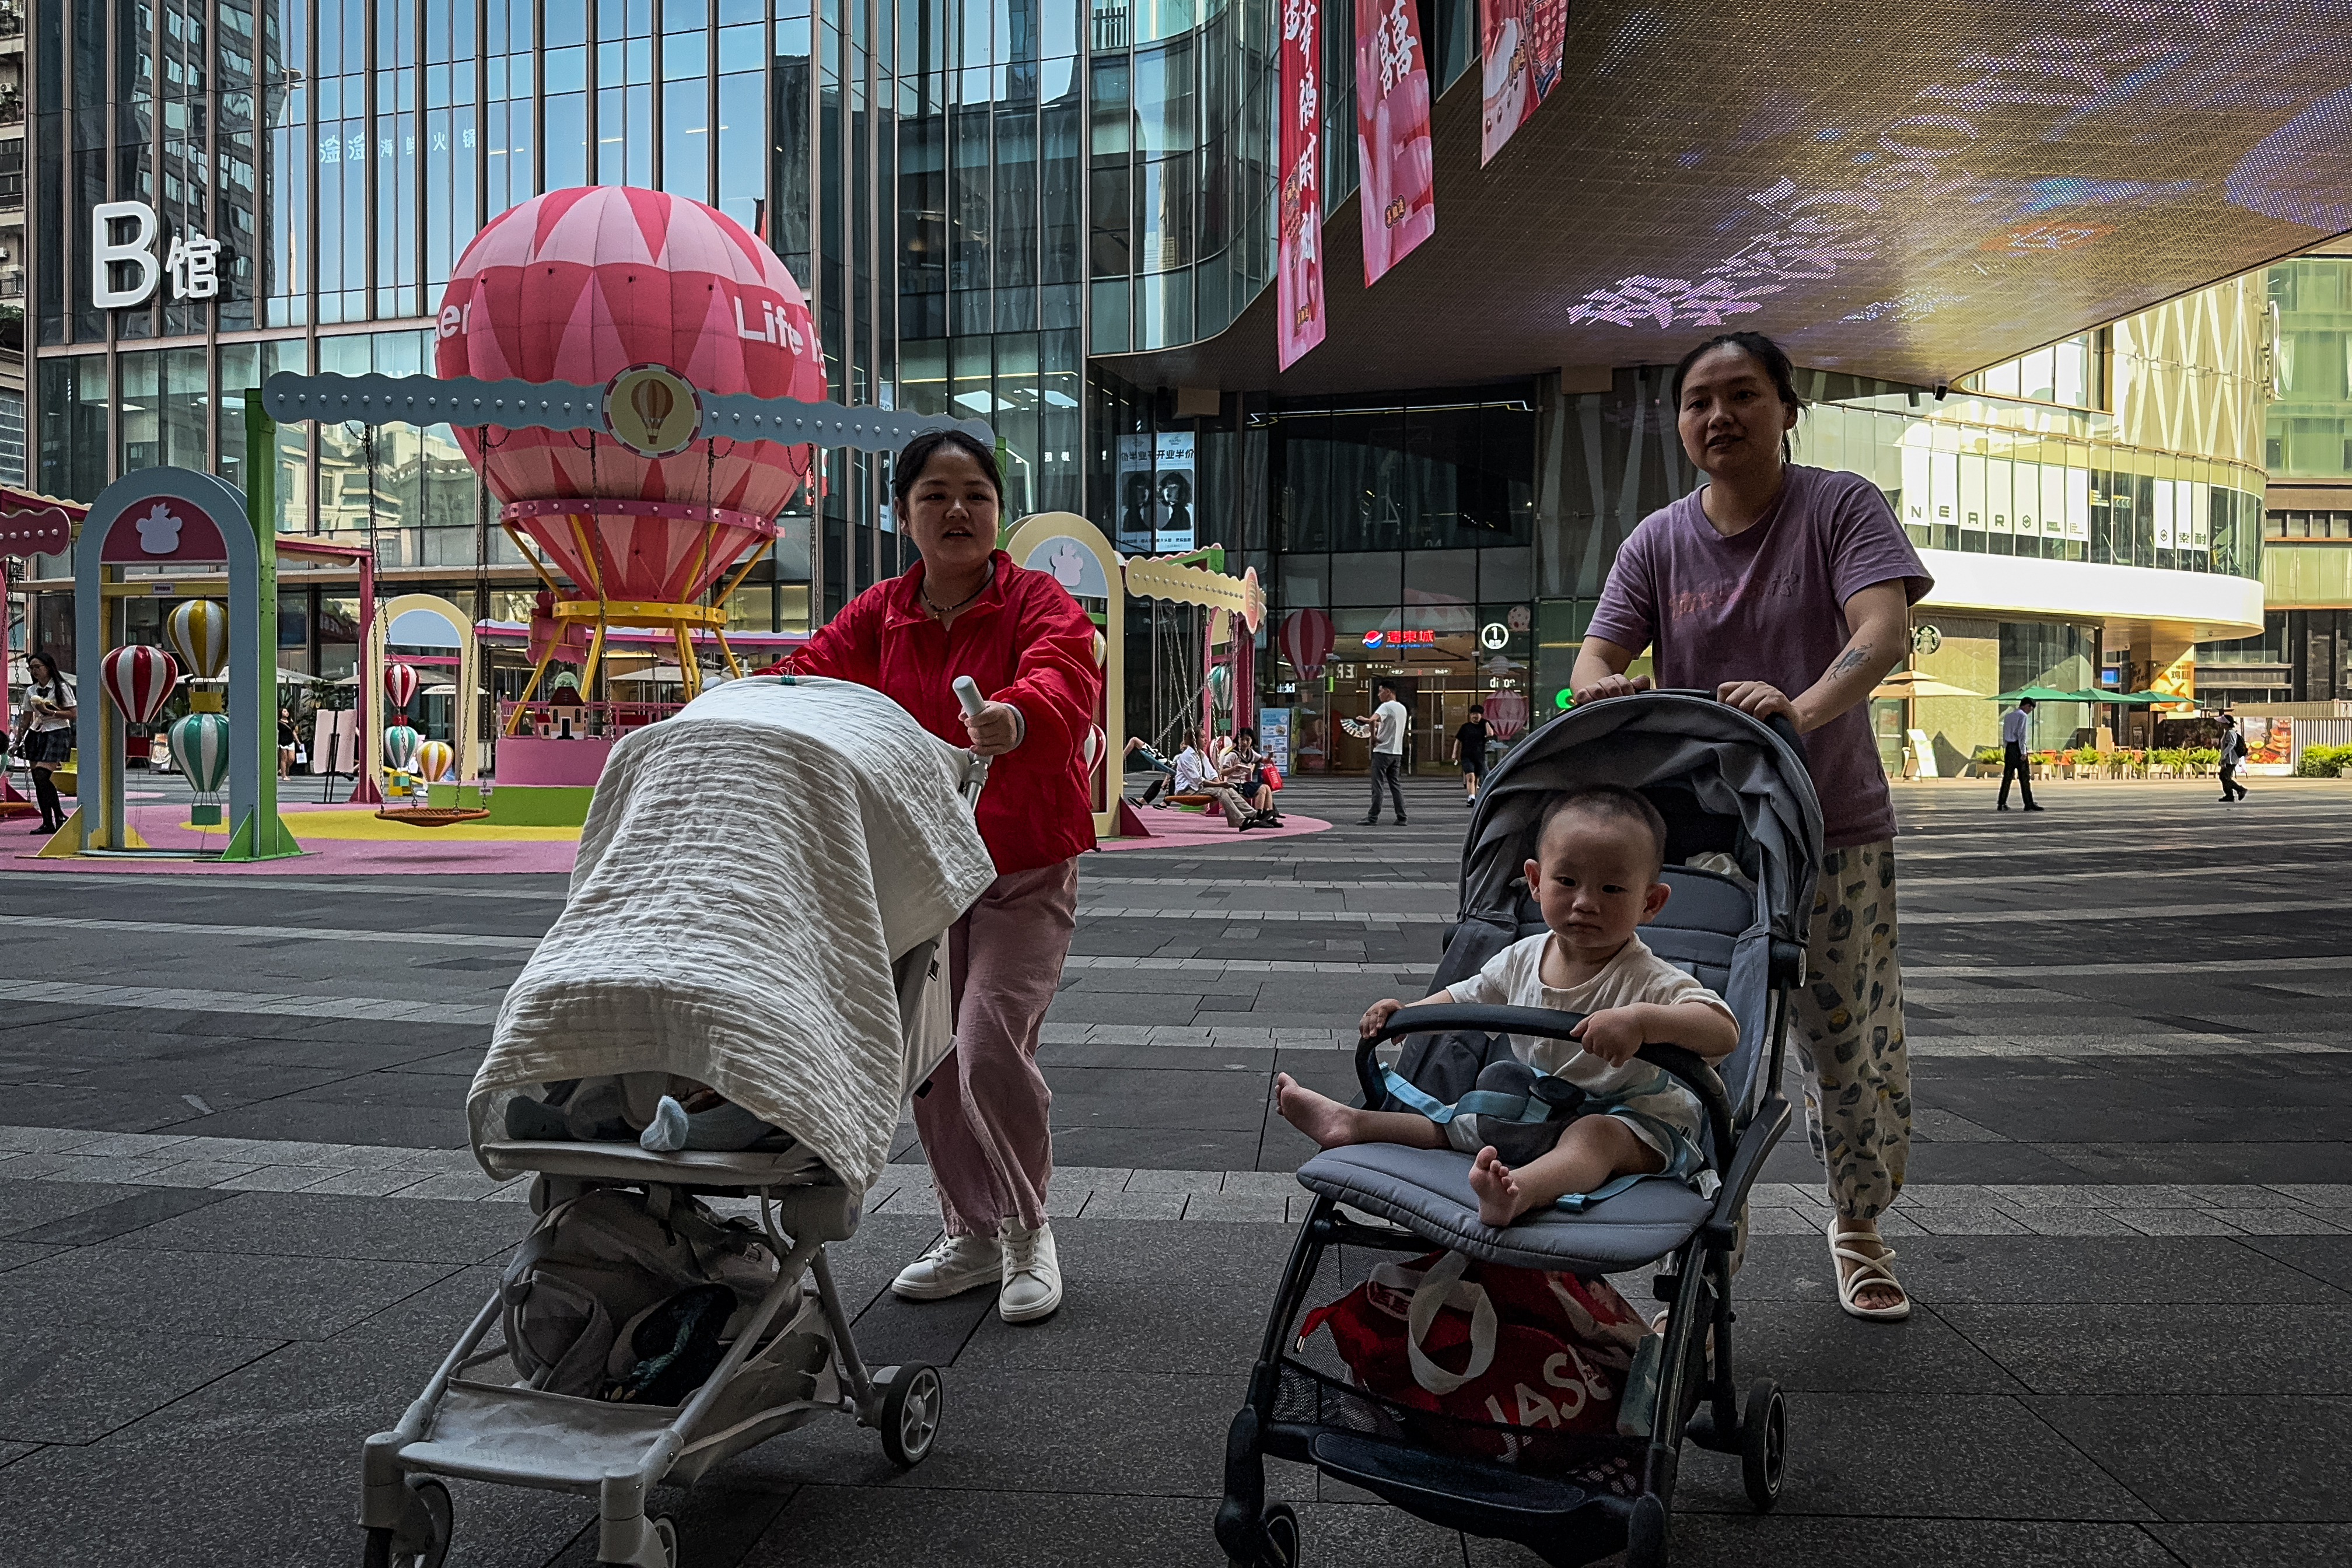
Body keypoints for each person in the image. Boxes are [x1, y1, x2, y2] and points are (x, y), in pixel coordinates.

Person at [1569, 330, 1930, 1322]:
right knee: (1690, 1036)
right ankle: (1697, 1229)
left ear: (1787, 405)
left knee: (1845, 1039)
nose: (1718, 415)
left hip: (1832, 824)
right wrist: (1609, 687)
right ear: (1679, 422)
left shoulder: (1838, 505)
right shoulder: (1656, 540)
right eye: (1697, 400)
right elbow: (1590, 663)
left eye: (1741, 394)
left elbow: (1881, 629)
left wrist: (1798, 711)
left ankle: (1857, 1224)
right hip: (1693, 836)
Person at [788, 429, 1102, 1325]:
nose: (957, 510)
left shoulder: (1037, 600)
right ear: (902, 514)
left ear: (999, 513)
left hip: (1021, 868)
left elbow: (1065, 671)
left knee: (989, 1039)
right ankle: (970, 1232)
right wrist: (744, 709)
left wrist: (1017, 714)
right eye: (935, 494)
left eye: (975, 493)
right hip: (919, 872)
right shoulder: (878, 613)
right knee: (930, 1060)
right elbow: (806, 676)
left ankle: (1028, 1230)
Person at [1273, 788, 1737, 1226]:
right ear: (1536, 882)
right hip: (1540, 1108)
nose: (1584, 902)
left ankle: (1521, 1191)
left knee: (1595, 1135)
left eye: (1612, 890)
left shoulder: (1650, 979)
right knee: (1462, 1117)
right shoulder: (1522, 956)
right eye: (1567, 881)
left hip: (1638, 1122)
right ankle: (1351, 1123)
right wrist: (1410, 1012)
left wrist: (1642, 1021)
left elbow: (1722, 1030)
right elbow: (1468, 995)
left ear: (1651, 903)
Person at [18, 653, 76, 835]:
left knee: (43, 775)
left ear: (49, 667)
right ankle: (49, 821)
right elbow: (26, 718)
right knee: (38, 779)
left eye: (37, 667)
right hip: (37, 733)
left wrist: (50, 713)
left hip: (58, 732)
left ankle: (58, 815)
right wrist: (17, 741)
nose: (34, 671)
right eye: (31, 668)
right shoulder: (31, 691)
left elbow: (74, 713)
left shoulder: (62, 687)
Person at [1360, 680, 1410, 825]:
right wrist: (1369, 722)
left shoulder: (1386, 706)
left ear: (1388, 691)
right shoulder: (1402, 708)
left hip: (1382, 752)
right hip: (1397, 753)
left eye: (1381, 691)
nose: (1379, 694)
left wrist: (1373, 737)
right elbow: (1384, 724)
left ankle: (1373, 817)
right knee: (1395, 785)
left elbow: (1373, 720)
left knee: (1378, 785)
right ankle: (1402, 817)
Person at [1997, 698, 2042, 812]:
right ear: (2027, 706)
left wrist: (2006, 747)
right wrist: (2023, 752)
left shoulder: (2008, 716)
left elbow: (2004, 733)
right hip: (2018, 747)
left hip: (2010, 748)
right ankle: (2028, 803)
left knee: (2007, 777)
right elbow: (2022, 735)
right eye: (2031, 708)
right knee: (2024, 778)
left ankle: (2001, 803)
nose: (2030, 711)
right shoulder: (2022, 716)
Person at [1452, 704, 1492, 808]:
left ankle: (1473, 797)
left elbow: (1490, 734)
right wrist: (1454, 753)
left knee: (1477, 778)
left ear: (1481, 715)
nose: (1476, 716)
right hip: (1466, 756)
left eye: (1478, 714)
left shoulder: (1483, 726)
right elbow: (1458, 741)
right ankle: (1471, 797)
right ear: (1470, 715)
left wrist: (1486, 722)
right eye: (1474, 714)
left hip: (1479, 756)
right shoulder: (1465, 727)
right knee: (1470, 777)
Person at [1125, 734, 1176, 806]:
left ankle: (1165, 803)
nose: (1181, 746)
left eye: (1183, 744)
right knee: (1158, 783)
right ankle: (1142, 801)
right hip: (1169, 767)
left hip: (1168, 766)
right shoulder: (1179, 758)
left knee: (1134, 740)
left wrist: (1167, 780)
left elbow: (1174, 769)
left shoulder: (1183, 757)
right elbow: (1172, 770)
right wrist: (1167, 780)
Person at [2218, 713, 2249, 802]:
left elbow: (2232, 744)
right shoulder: (2228, 732)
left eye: (2222, 723)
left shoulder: (2231, 733)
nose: (2221, 725)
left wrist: (2224, 755)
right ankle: (2229, 795)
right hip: (2229, 758)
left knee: (2225, 777)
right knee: (2224, 776)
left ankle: (2240, 790)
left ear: (2226, 724)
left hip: (2231, 759)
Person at [278, 708, 298, 778]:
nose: (287, 713)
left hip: (291, 741)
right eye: (285, 711)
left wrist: (298, 741)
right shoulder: (279, 723)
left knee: (292, 759)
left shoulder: (290, 722)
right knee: (284, 759)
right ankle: (284, 775)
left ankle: (283, 770)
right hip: (283, 742)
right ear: (281, 713)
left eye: (287, 711)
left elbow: (293, 732)